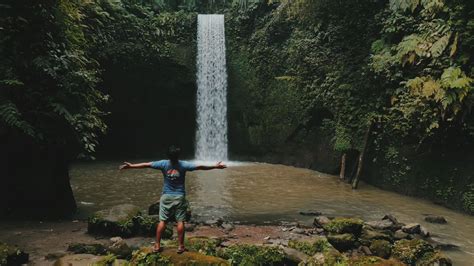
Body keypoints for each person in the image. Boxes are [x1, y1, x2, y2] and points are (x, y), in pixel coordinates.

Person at [119, 145, 226, 253]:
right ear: (178, 155)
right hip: (179, 196)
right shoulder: (184, 165)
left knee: (163, 221)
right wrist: (215, 166)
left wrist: (131, 166)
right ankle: (180, 246)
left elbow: (147, 164)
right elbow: (200, 166)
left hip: (166, 196)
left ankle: (157, 245)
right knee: (180, 221)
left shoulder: (163, 164)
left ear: (168, 155)